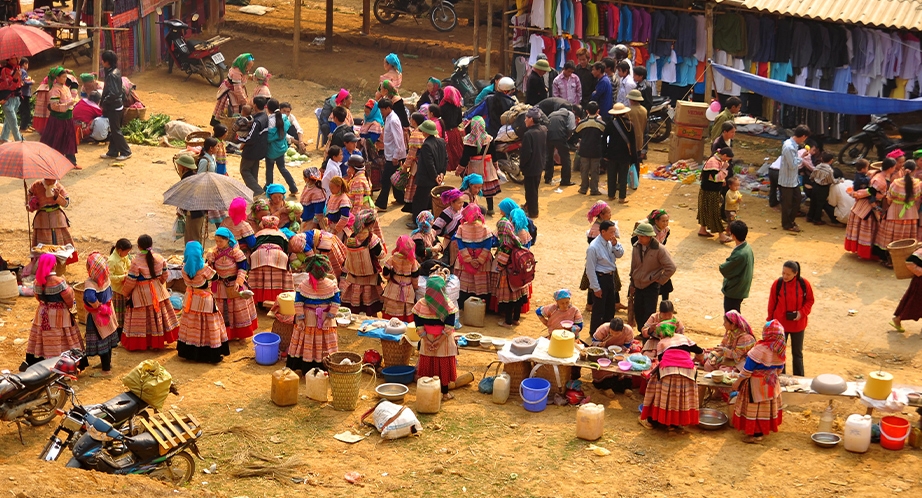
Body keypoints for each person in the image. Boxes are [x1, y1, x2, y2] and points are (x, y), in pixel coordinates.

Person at [23, 253, 83, 369]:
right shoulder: (59, 282)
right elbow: (69, 299)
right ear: (54, 265)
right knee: (63, 339)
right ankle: (64, 366)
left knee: (42, 338)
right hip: (60, 316)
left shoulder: (37, 282)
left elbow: (38, 298)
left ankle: (41, 365)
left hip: (42, 314)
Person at [120, 235, 179, 351]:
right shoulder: (159, 258)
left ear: (139, 246)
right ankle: (157, 341)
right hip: (158, 291)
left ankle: (143, 343)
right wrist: (159, 284)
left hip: (141, 295)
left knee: (143, 320)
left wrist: (126, 293)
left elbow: (131, 281)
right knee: (158, 318)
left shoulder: (136, 261)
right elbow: (165, 275)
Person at [731, 320, 786, 443]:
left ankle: (756, 435)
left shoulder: (759, 350)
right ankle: (762, 431)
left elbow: (747, 370)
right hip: (771, 384)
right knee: (766, 410)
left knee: (755, 410)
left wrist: (737, 383)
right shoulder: (780, 349)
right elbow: (779, 369)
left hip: (756, 385)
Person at [639, 326, 702, 431]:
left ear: (661, 334)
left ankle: (652, 421)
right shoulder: (683, 338)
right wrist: (696, 359)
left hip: (668, 371)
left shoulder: (662, 343)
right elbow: (699, 351)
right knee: (679, 396)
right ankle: (674, 424)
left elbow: (661, 360)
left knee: (660, 393)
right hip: (688, 372)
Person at [177, 242, 230, 363]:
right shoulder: (203, 268)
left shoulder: (184, 268)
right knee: (209, 325)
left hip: (190, 300)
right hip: (204, 300)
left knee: (191, 325)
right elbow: (215, 277)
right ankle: (209, 353)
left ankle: (190, 352)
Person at [287, 253, 341, 373]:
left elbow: (298, 302)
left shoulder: (303, 285)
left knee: (307, 342)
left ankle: (306, 366)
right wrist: (329, 317)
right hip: (320, 319)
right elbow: (336, 303)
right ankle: (324, 366)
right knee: (322, 343)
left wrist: (300, 319)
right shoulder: (331, 285)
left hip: (308, 319)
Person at [413, 273, 459, 401]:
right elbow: (449, 327)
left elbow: (419, 325)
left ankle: (427, 393)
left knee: (428, 365)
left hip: (427, 338)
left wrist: (427, 340)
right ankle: (445, 394)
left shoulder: (421, 304)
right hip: (444, 340)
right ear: (442, 288)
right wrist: (439, 341)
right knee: (443, 365)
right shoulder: (448, 305)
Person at [208, 227, 258, 340]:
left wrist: (239, 281)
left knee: (238, 310)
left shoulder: (236, 252)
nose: (218, 243)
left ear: (228, 240)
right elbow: (209, 269)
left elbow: (243, 268)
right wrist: (209, 260)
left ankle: (240, 334)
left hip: (234, 284)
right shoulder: (214, 252)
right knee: (221, 310)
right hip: (220, 286)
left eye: (220, 241)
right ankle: (225, 334)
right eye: (216, 241)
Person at [766, 261, 814, 376]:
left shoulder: (804, 284)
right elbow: (772, 303)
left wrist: (801, 313)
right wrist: (769, 322)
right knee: (779, 353)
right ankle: (780, 377)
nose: (785, 276)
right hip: (780, 325)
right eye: (783, 273)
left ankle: (799, 379)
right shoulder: (777, 284)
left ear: (795, 274)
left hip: (798, 325)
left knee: (797, 353)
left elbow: (810, 300)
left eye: (788, 274)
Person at [630, 222, 676, 331]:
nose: (639, 238)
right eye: (638, 235)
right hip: (638, 284)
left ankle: (647, 334)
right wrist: (632, 283)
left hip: (651, 285)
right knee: (638, 311)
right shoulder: (636, 246)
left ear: (649, 237)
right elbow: (633, 266)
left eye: (642, 236)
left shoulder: (660, 249)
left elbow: (671, 267)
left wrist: (660, 280)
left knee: (649, 312)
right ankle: (642, 332)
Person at [877, 160, 922, 268]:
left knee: (892, 237)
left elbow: (889, 198)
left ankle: (890, 261)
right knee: (906, 238)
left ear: (903, 169)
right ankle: (902, 262)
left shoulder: (896, 182)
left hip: (895, 213)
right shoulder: (918, 183)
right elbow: (917, 198)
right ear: (914, 170)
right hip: (911, 214)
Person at [80, 252, 120, 374]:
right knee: (108, 336)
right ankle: (108, 363)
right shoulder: (106, 278)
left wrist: (96, 305)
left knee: (101, 339)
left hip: (98, 315)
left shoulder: (90, 283)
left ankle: (105, 370)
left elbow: (90, 297)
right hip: (108, 311)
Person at [493, 199, 530, 327]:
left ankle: (508, 322)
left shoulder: (506, 246)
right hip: (520, 276)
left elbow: (501, 263)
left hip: (509, 276)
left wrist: (499, 267)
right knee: (519, 297)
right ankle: (516, 319)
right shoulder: (517, 243)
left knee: (509, 299)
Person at [340, 211, 386, 315]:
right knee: (371, 307)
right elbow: (381, 255)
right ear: (369, 224)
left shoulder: (351, 237)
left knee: (355, 307)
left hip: (354, 277)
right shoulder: (372, 239)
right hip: (370, 279)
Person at [585, 220, 625, 334]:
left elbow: (620, 254)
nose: (614, 234)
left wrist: (615, 245)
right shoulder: (593, 247)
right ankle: (594, 333)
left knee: (609, 307)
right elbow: (590, 269)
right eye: (611, 232)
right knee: (599, 309)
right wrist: (596, 287)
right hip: (600, 278)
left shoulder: (610, 242)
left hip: (610, 278)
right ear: (603, 232)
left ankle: (608, 331)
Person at [27, 179, 78, 265]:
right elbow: (29, 197)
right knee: (42, 245)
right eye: (47, 179)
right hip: (41, 220)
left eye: (52, 180)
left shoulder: (58, 187)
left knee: (58, 243)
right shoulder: (36, 185)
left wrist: (57, 197)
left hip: (57, 219)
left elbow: (66, 203)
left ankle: (59, 263)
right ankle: (43, 263)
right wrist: (30, 203)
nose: (50, 182)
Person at [454, 204, 494, 308]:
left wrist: (469, 260)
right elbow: (488, 246)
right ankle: (482, 306)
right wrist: (480, 260)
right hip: (483, 262)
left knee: (465, 283)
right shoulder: (485, 228)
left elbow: (460, 245)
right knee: (482, 283)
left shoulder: (461, 228)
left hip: (465, 261)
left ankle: (463, 305)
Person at [38, 67, 78, 166]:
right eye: (63, 77)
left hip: (68, 118)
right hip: (58, 120)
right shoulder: (55, 90)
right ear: (57, 77)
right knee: (56, 139)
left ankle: (71, 160)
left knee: (69, 138)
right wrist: (68, 105)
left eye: (66, 77)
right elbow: (54, 106)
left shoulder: (65, 88)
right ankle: (53, 160)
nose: (65, 79)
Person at [249, 216, 293, 304]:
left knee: (261, 278)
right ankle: (279, 300)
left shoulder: (258, 234)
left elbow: (252, 247)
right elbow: (287, 249)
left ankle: (260, 300)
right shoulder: (281, 234)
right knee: (277, 278)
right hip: (278, 256)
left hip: (259, 256)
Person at [410, 119, 447, 221]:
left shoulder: (426, 145)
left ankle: (417, 221)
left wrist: (435, 176)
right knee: (432, 200)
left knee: (419, 200)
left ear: (426, 132)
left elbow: (429, 163)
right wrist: (441, 174)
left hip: (426, 178)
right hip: (437, 176)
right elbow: (445, 159)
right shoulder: (441, 142)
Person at [376, 98, 407, 211]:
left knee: (386, 180)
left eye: (382, 110)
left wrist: (396, 156)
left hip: (394, 154)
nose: (381, 112)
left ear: (388, 108)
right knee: (395, 177)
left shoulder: (393, 120)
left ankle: (381, 204)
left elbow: (398, 139)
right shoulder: (388, 118)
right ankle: (400, 198)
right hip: (391, 153)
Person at [98, 51, 131, 160]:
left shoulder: (112, 75)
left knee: (116, 130)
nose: (102, 62)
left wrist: (104, 102)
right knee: (113, 129)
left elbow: (113, 93)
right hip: (117, 105)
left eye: (103, 60)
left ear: (107, 62)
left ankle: (126, 151)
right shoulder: (115, 71)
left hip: (114, 107)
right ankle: (112, 151)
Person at [591, 317, 637, 393]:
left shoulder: (628, 330)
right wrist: (599, 344)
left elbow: (628, 345)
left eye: (617, 333)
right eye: (612, 333)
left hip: (621, 351)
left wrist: (620, 350)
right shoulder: (603, 328)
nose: (614, 335)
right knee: (604, 366)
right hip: (604, 351)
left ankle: (625, 387)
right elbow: (594, 342)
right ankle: (606, 387)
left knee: (625, 366)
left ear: (622, 330)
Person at [779, 125, 811, 232]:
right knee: (787, 204)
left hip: (793, 179)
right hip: (787, 180)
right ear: (803, 136)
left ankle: (791, 221)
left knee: (797, 200)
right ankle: (787, 224)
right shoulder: (789, 147)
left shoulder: (793, 145)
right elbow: (793, 165)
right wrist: (802, 158)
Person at [698, 147, 733, 242]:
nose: (727, 161)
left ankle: (702, 229)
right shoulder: (713, 162)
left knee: (705, 209)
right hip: (710, 191)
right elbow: (715, 178)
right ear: (724, 155)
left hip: (706, 189)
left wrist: (723, 179)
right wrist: (724, 169)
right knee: (714, 212)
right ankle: (721, 235)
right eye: (727, 158)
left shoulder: (716, 160)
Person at [718, 220, 755, 313]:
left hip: (735, 289)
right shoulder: (747, 248)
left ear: (733, 236)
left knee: (731, 316)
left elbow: (724, 268)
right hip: (741, 287)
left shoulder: (739, 254)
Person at [603, 103, 636, 204]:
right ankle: (622, 197)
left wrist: (604, 153)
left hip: (611, 154)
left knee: (611, 175)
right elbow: (633, 142)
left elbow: (604, 139)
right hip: (625, 154)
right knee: (623, 176)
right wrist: (634, 157)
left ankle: (611, 195)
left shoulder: (610, 124)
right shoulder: (630, 125)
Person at [382, 235, 420, 321]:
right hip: (407, 290)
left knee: (391, 309)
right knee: (406, 312)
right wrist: (415, 287)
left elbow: (385, 272)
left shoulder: (393, 258)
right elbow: (415, 277)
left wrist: (389, 278)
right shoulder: (413, 262)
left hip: (393, 288)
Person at [265, 99, 298, 195]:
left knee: (269, 170)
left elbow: (269, 137)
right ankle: (293, 187)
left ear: (268, 109)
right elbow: (283, 131)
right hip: (281, 148)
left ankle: (269, 188)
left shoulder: (270, 120)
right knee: (282, 168)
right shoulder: (284, 117)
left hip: (271, 150)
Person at [239, 96, 270, 196]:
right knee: (253, 170)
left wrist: (241, 142)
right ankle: (253, 193)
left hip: (252, 150)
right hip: (261, 149)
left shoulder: (257, 121)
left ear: (255, 105)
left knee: (244, 170)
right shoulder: (265, 116)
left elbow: (251, 138)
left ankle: (258, 191)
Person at [520, 107, 547, 218]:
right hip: (539, 164)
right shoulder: (544, 129)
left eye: (526, 118)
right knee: (534, 188)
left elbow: (526, 153)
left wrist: (522, 166)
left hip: (530, 166)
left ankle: (533, 212)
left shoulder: (528, 134)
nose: (525, 120)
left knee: (531, 190)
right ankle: (528, 205)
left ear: (531, 119)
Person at [575, 101, 606, 196]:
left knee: (584, 170)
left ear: (587, 111)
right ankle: (594, 189)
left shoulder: (582, 123)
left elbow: (577, 133)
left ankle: (583, 188)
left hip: (584, 150)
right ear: (598, 111)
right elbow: (604, 136)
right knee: (595, 171)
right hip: (596, 151)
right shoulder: (601, 124)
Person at [213, 53, 253, 123]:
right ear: (244, 64)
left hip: (235, 92)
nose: (249, 69)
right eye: (248, 67)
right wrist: (244, 101)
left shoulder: (240, 69)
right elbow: (237, 89)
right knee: (231, 111)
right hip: (231, 94)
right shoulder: (236, 73)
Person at [891, 245, 922, 333]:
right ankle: (898, 319)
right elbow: (909, 262)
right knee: (914, 302)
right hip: (920, 283)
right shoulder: (920, 252)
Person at [401, 113, 428, 213]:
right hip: (426, 164)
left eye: (411, 119)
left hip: (417, 165)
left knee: (413, 185)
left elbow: (411, 154)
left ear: (414, 121)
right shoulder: (425, 132)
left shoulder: (415, 134)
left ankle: (412, 206)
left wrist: (405, 166)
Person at [544, 104, 576, 186]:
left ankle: (547, 178)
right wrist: (567, 137)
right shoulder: (570, 114)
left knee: (549, 156)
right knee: (566, 158)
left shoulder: (552, 114)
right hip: (560, 136)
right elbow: (571, 128)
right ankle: (565, 180)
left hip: (548, 136)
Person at [807, 151, 841, 226]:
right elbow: (832, 180)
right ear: (831, 160)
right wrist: (839, 180)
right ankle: (817, 219)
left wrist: (813, 181)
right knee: (820, 204)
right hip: (823, 188)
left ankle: (810, 216)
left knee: (813, 201)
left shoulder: (818, 166)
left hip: (815, 185)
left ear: (822, 159)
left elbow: (812, 175)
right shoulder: (829, 170)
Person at [107, 238, 132, 336]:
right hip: (117, 290)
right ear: (120, 250)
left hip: (124, 288)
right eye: (127, 252)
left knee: (124, 311)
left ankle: (123, 330)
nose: (128, 254)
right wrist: (123, 277)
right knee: (118, 313)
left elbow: (129, 266)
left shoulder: (124, 257)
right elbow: (110, 277)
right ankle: (117, 333)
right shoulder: (112, 260)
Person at [441, 86, 465, 172]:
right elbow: (459, 120)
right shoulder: (457, 106)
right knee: (458, 149)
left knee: (448, 150)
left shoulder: (442, 106)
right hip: (455, 132)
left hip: (446, 132)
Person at [0, 56, 23, 143]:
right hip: (7, 99)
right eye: (15, 58)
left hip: (16, 98)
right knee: (13, 121)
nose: (18, 59)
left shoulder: (17, 68)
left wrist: (20, 80)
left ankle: (3, 138)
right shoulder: (5, 70)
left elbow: (17, 85)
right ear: (9, 59)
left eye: (19, 57)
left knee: (8, 120)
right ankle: (19, 141)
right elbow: (7, 86)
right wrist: (15, 78)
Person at [19, 57, 33, 133]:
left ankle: (26, 125)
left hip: (23, 94)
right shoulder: (23, 71)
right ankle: (23, 127)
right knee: (26, 111)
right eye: (27, 64)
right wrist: (31, 82)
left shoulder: (21, 71)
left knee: (25, 110)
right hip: (24, 94)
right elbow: (23, 82)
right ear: (24, 64)